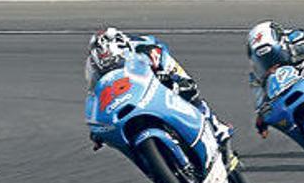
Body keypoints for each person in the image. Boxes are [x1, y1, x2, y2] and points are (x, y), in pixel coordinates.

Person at [86, 27, 233, 156]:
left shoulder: (144, 48)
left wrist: (178, 80)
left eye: (114, 63)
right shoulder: (94, 69)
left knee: (189, 92)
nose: (111, 68)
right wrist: (99, 126)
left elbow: (169, 65)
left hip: (155, 78)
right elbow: (96, 94)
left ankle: (216, 126)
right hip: (130, 94)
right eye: (106, 67)